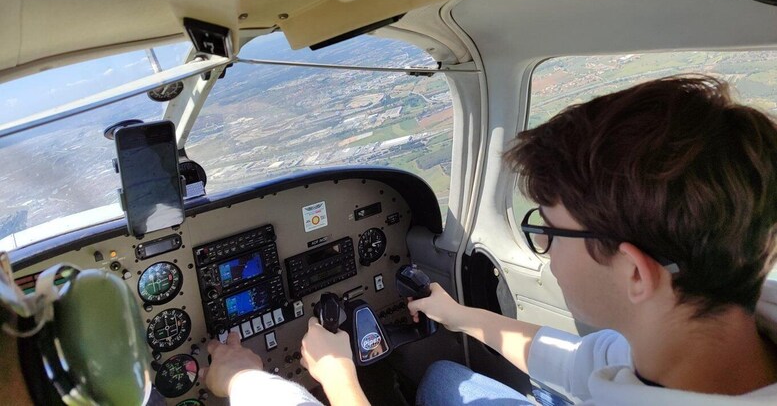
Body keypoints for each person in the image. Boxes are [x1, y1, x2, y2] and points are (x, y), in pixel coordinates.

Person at [202, 75, 777, 405]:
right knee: (443, 377)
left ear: (634, 272)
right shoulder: (692, 339)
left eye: (548, 230)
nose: (545, 249)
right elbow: (583, 361)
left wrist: (311, 381)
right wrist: (459, 316)